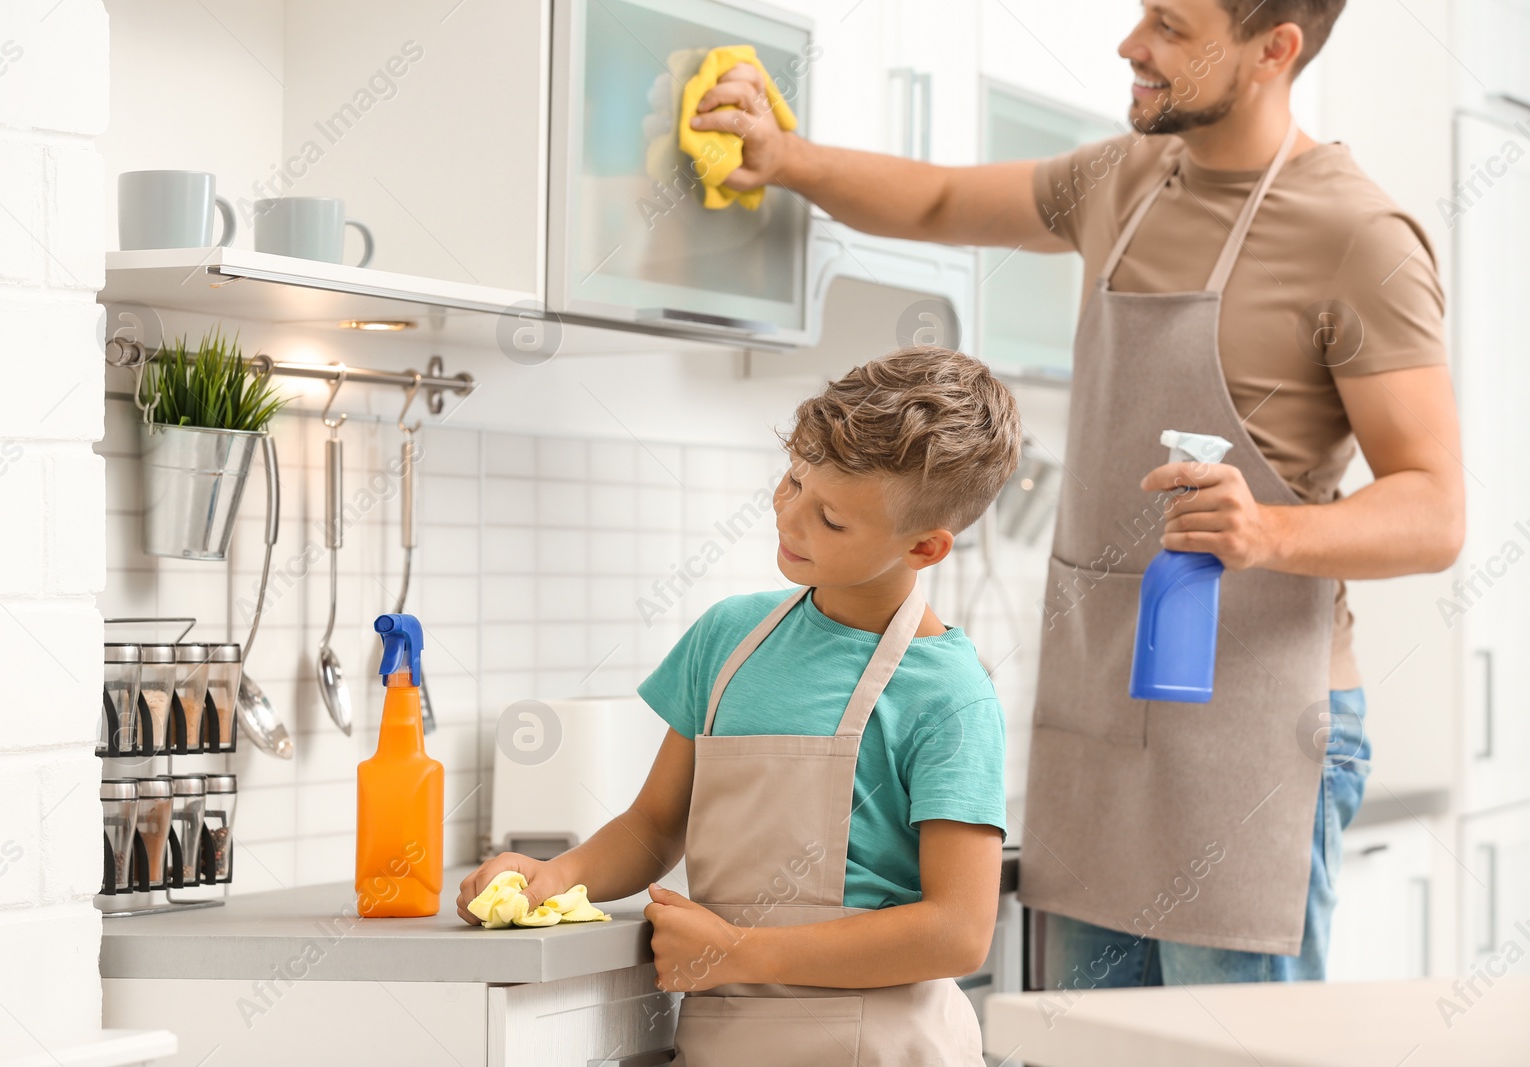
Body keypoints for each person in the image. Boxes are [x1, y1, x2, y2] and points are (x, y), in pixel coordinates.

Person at [682, 0, 1463, 986]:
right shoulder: (1120, 179)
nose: (1131, 45)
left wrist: (1264, 530)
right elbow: (934, 203)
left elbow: (1434, 508)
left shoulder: (1359, 236)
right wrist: (783, 159)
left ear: (1274, 50)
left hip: (1256, 735)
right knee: (1082, 1041)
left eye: (1172, 28)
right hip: (1096, 720)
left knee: (1223, 1062)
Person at [458, 346, 1021, 1065]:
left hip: (880, 1044)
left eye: (832, 519)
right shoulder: (729, 639)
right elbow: (653, 826)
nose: (791, 517)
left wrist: (742, 951)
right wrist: (558, 875)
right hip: (727, 1036)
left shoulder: (949, 695)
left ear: (925, 546)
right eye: (792, 481)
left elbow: (957, 930)